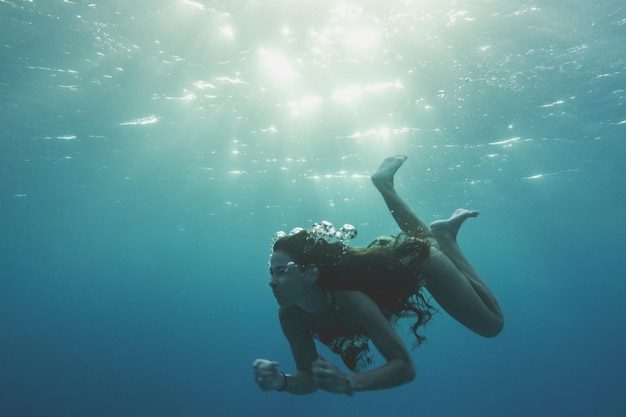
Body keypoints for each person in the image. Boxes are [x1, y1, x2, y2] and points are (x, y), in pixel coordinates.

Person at [253, 155, 504, 395]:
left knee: (491, 325)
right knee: (421, 239)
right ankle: (387, 187)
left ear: (311, 273)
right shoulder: (290, 315)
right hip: (389, 261)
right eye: (271, 272)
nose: (272, 281)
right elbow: (307, 378)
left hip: (421, 263)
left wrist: (350, 381)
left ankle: (446, 238)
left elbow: (404, 367)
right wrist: (281, 381)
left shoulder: (348, 299)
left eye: (282, 272)